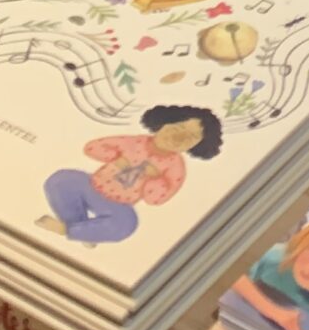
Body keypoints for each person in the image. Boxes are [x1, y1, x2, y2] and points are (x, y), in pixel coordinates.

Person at [40, 103, 225, 247]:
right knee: (61, 180)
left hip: (119, 204)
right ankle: (81, 228)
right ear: (162, 123)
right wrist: (116, 158)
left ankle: (72, 231)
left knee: (125, 225)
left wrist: (154, 180)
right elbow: (92, 148)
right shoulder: (135, 142)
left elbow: (156, 199)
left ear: (197, 146)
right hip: (93, 185)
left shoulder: (175, 166)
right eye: (176, 128)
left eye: (191, 137)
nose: (178, 137)